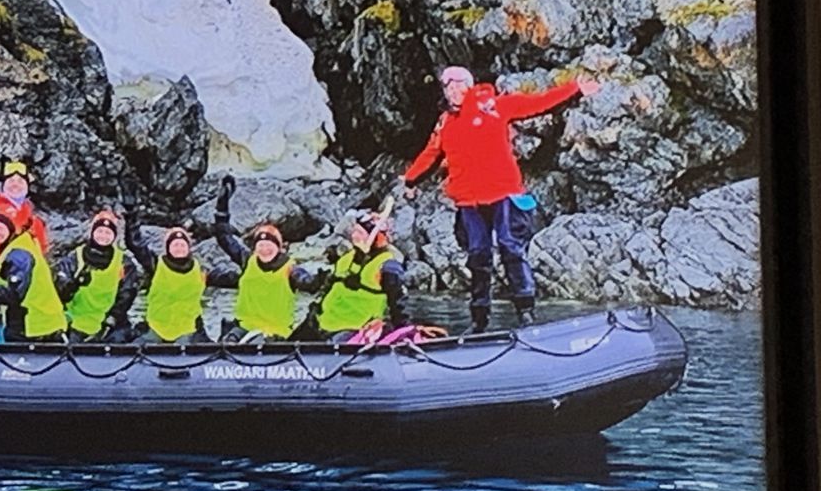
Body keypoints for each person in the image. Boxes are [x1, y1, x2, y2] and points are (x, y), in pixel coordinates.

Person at [401, 66, 601, 332]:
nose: (453, 90)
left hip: (503, 193)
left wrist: (574, 89)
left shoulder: (493, 106)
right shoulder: (445, 122)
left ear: (469, 86)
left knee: (510, 247)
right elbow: (430, 154)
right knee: (478, 255)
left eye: (459, 85)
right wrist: (410, 180)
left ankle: (526, 311)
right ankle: (479, 317)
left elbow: (537, 103)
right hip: (468, 200)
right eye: (448, 87)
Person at [210, 175, 325, 340]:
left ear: (278, 247)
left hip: (276, 333)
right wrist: (222, 208)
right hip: (245, 328)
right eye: (260, 245)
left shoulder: (290, 269)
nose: (264, 249)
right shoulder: (247, 260)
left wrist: (318, 279)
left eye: (269, 245)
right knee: (229, 340)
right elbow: (224, 237)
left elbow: (306, 282)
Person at [297, 208, 411, 342]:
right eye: (354, 231)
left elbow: (399, 306)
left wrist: (403, 333)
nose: (354, 236)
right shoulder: (346, 259)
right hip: (321, 322)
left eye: (360, 232)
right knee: (285, 345)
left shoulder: (387, 266)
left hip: (354, 330)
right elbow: (326, 289)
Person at [0, 211, 68, 342]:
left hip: (35, 326)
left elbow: (14, 296)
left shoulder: (19, 254)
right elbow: (2, 279)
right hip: (28, 321)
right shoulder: (13, 247)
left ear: (11, 228)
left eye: (0, 228)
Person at [53, 209, 145, 342]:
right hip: (74, 320)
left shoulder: (125, 263)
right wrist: (74, 285)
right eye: (99, 231)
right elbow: (59, 293)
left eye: (108, 232)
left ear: (114, 236)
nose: (103, 235)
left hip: (108, 323)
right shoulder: (74, 258)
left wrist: (111, 320)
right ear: (92, 233)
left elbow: (126, 295)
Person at [141, 226, 209, 343]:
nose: (179, 248)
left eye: (182, 245)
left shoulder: (200, 269)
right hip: (157, 327)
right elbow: (137, 247)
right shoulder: (155, 265)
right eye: (175, 245)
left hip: (186, 329)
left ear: (188, 248)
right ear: (168, 248)